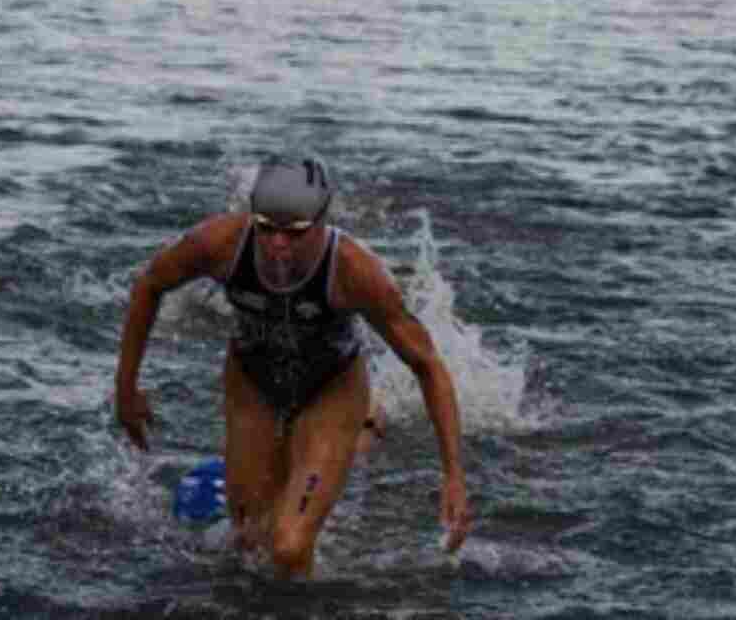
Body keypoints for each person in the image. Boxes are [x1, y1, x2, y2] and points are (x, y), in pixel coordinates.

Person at [114, 156, 472, 579]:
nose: (279, 245)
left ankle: (360, 426)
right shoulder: (219, 244)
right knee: (249, 542)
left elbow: (427, 364)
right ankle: (357, 433)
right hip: (252, 381)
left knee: (288, 547)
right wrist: (126, 390)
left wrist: (453, 473)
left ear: (323, 220)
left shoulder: (355, 272)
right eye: (266, 228)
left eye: (295, 233)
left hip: (331, 388)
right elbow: (149, 284)